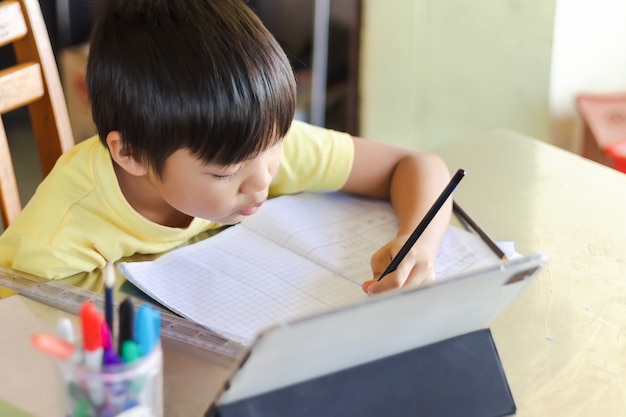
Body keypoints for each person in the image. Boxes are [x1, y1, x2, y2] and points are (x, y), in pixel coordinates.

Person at [0, 0, 451, 294]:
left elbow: (414, 165)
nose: (261, 182)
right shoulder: (53, 248)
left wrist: (418, 247)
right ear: (131, 154)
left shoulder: (249, 138)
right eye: (224, 174)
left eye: (275, 145)